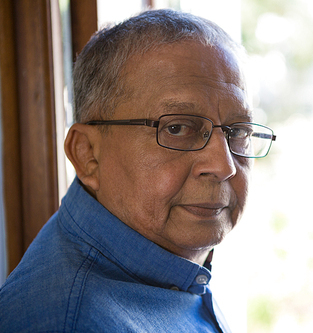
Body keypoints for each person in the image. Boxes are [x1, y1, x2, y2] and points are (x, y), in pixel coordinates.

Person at [0, 9, 276, 332]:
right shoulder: (71, 322)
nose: (223, 166)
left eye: (238, 131)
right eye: (176, 128)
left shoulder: (173, 265)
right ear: (87, 154)